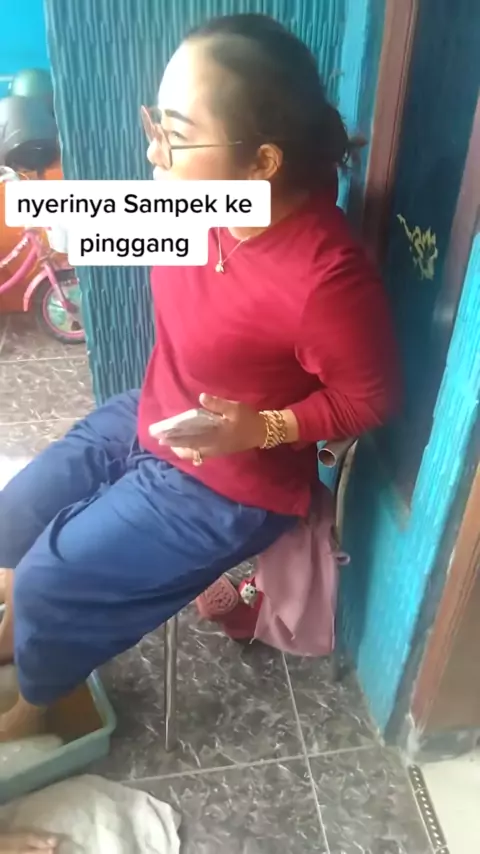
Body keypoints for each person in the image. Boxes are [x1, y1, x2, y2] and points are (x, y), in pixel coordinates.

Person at [0, 13, 401, 739]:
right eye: (155, 123)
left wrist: (264, 428)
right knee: (17, 514)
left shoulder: (324, 280)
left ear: (262, 162)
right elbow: (105, 222)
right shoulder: (205, 204)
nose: (153, 148)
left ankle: (41, 703)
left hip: (233, 483)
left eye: (176, 134)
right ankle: (21, 632)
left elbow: (368, 398)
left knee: (52, 577)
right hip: (159, 412)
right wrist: (57, 216)